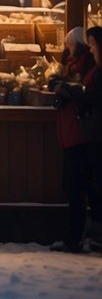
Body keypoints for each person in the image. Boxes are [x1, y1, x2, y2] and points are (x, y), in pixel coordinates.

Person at [52, 26, 102, 251]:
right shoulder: (82, 67)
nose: (91, 50)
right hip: (74, 133)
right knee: (78, 185)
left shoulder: (91, 69)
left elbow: (91, 98)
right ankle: (80, 236)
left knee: (77, 185)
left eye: (93, 45)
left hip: (81, 134)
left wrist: (71, 92)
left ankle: (79, 237)